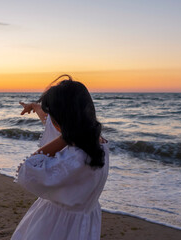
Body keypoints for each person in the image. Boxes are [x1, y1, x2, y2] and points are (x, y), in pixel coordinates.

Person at [11, 75, 109, 240]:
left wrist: (64, 137)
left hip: (56, 225)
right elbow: (50, 123)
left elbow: (27, 171)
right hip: (84, 222)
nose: (48, 119)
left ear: (62, 121)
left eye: (52, 115)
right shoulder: (99, 144)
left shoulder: (75, 158)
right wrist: (35, 107)